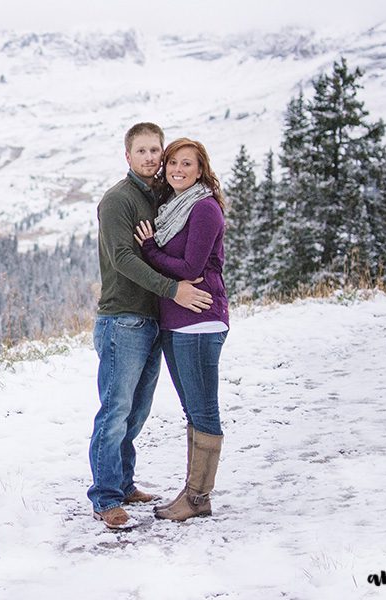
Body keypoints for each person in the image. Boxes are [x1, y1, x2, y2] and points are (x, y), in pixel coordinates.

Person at [89, 123, 213, 530]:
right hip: (122, 319)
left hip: (152, 320)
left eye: (154, 151)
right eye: (141, 151)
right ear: (128, 156)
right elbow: (124, 257)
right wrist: (172, 289)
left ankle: (124, 484)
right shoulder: (118, 201)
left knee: (137, 411)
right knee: (115, 410)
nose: (149, 158)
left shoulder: (163, 198)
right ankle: (106, 498)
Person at [133, 137, 229, 522]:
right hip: (178, 320)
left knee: (203, 409)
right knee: (193, 409)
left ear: (201, 168)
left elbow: (191, 267)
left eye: (187, 163)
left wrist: (151, 250)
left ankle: (198, 497)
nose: (177, 169)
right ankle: (192, 493)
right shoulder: (174, 206)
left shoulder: (204, 209)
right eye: (172, 162)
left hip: (200, 320)